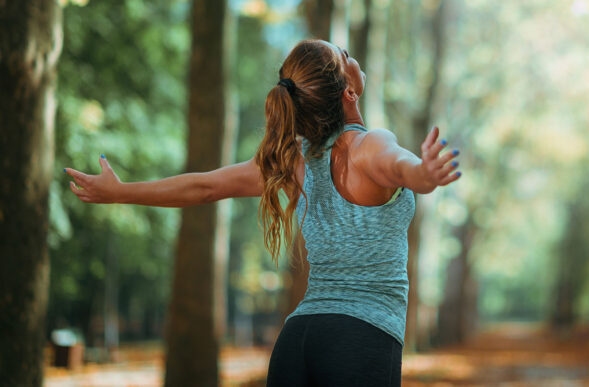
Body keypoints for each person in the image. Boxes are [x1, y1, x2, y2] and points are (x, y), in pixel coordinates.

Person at [64, 39, 460, 386]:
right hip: (361, 339)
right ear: (350, 92)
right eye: (346, 56)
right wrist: (424, 173)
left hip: (297, 341)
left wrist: (121, 192)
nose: (353, 57)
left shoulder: (293, 162)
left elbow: (205, 187)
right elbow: (402, 168)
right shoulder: (371, 145)